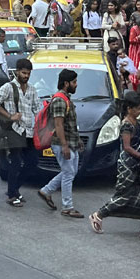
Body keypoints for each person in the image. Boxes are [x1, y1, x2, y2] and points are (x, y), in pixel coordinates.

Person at [89, 90, 140, 233]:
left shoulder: (136, 122)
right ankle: (99, 214)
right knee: (123, 196)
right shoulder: (126, 125)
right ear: (129, 109)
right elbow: (127, 147)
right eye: (138, 109)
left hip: (137, 166)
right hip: (128, 167)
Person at [0, 57, 38, 207]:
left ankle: (14, 189)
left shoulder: (32, 89)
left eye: (28, 73)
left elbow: (37, 109)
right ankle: (12, 195)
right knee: (16, 161)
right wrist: (10, 116)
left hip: (29, 130)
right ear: (17, 72)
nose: (26, 76)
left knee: (32, 161)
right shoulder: (8, 87)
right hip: (14, 129)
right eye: (24, 73)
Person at [37, 68, 84, 217]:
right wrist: (64, 146)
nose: (76, 84)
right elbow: (58, 125)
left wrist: (77, 140)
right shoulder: (59, 100)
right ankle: (67, 207)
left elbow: (69, 124)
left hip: (70, 142)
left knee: (70, 172)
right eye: (74, 82)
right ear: (66, 83)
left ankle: (46, 191)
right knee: (69, 173)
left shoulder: (65, 98)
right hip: (62, 143)